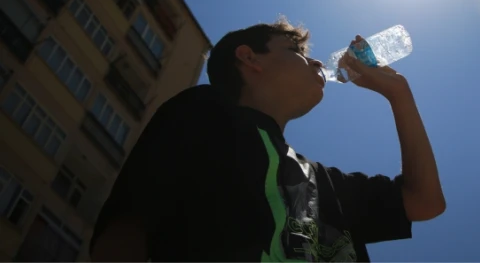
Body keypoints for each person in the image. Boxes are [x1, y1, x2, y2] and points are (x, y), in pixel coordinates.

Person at [89, 17, 445, 262]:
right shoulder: (204, 113)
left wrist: (400, 95)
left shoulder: (323, 183)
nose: (317, 62)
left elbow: (425, 202)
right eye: (296, 52)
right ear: (249, 58)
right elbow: (128, 229)